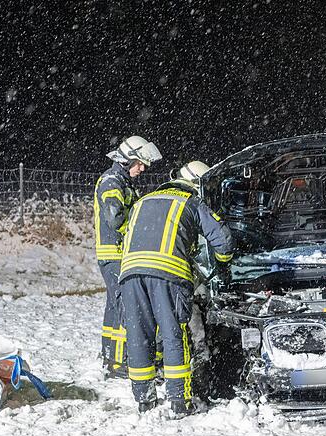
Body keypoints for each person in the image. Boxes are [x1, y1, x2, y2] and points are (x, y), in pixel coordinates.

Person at [119, 161, 234, 415]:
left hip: (130, 274)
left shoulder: (143, 200)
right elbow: (223, 240)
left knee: (139, 335)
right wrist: (223, 266)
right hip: (168, 275)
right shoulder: (190, 202)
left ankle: (144, 399)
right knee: (173, 335)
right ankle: (179, 401)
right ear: (197, 185)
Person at [94, 136, 162, 378]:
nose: (142, 169)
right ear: (127, 161)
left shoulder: (121, 181)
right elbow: (115, 218)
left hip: (113, 255)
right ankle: (123, 362)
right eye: (139, 164)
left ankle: (110, 357)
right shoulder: (113, 182)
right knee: (127, 307)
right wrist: (139, 228)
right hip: (116, 254)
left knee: (114, 307)